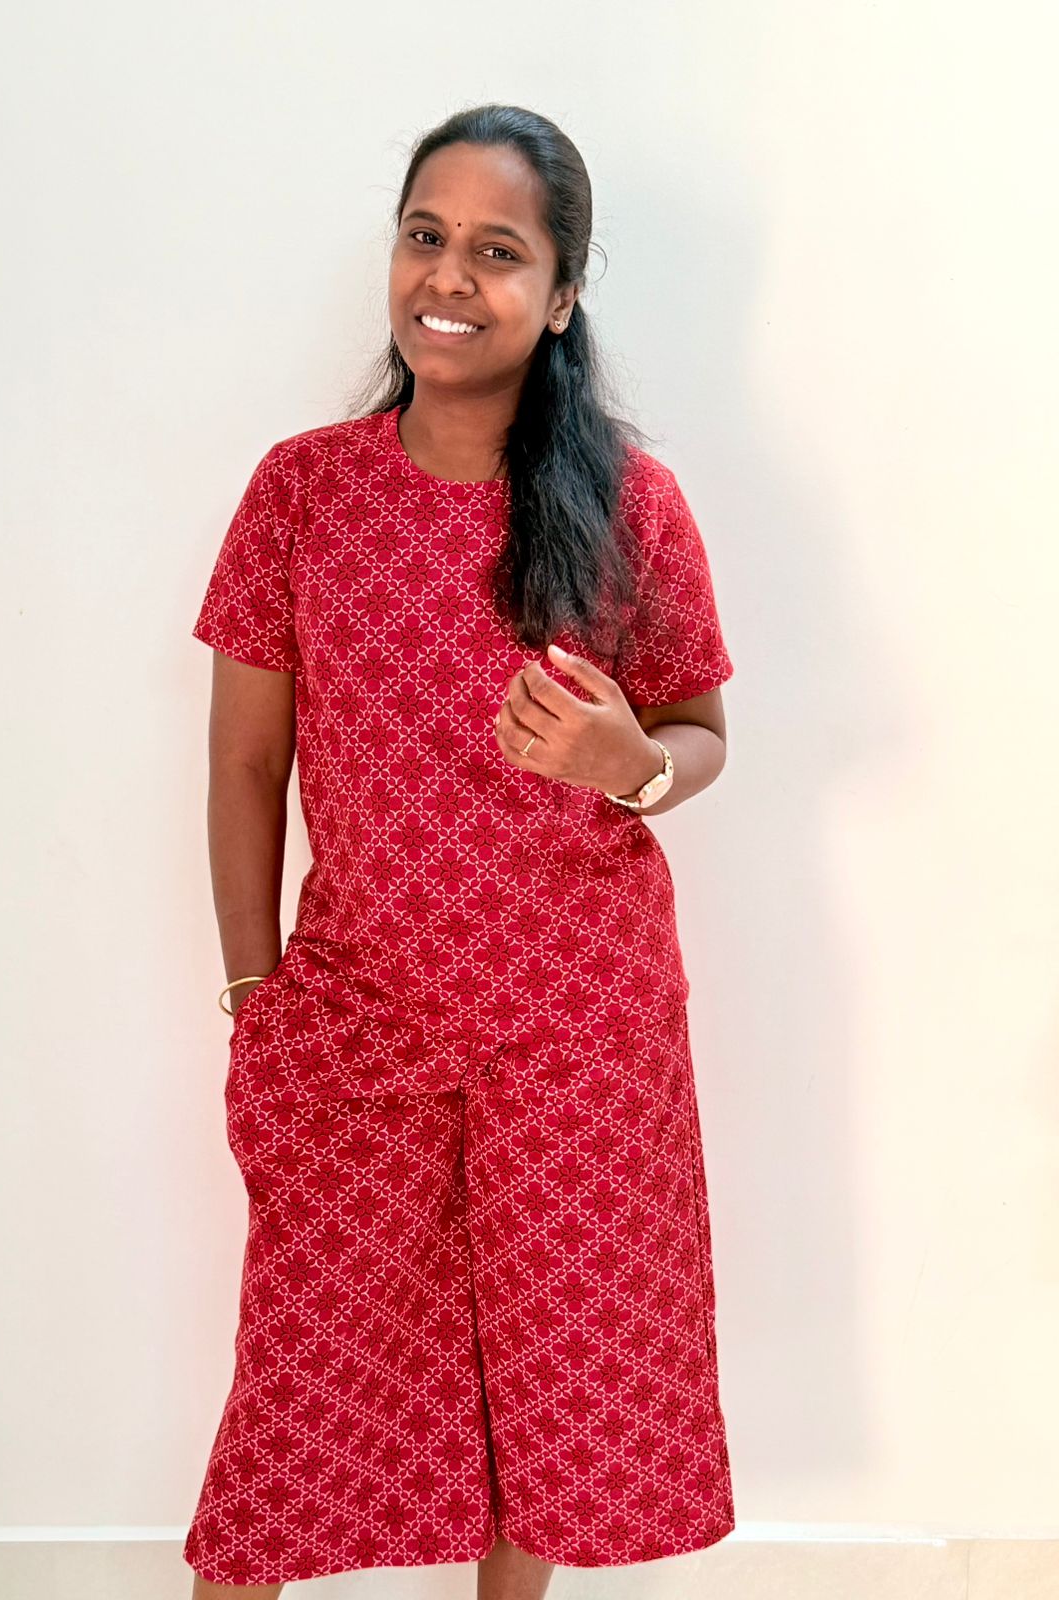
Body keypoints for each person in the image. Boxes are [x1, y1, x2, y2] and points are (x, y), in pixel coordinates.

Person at [183, 103, 736, 1599]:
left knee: (548, 1401)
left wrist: (631, 768)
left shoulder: (630, 508)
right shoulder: (303, 492)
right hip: (358, 1018)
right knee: (297, 1411)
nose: (449, 276)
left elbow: (698, 734)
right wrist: (256, 993)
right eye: (426, 236)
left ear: (560, 295)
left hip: (579, 1030)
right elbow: (245, 763)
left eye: (499, 252)